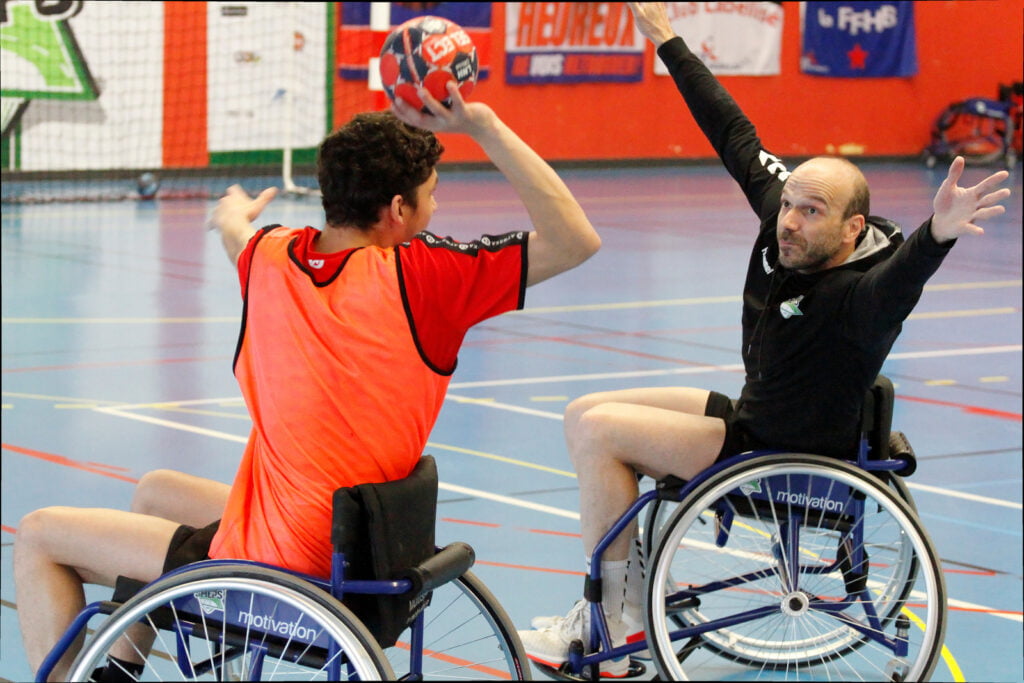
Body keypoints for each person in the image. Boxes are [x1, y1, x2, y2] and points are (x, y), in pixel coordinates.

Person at [13, 81, 600, 682]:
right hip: (370, 546)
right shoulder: (426, 277)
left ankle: (112, 664)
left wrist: (230, 216)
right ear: (398, 211)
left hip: (290, 572)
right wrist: (483, 126)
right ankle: (122, 665)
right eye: (432, 197)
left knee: (37, 537)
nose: (434, 211)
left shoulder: (268, 258)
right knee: (157, 490)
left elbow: (238, 236)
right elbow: (576, 240)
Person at [517, 1, 1012, 677]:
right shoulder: (788, 224)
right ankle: (623, 595)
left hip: (783, 451)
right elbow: (733, 131)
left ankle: (621, 618)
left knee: (603, 431)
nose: (789, 221)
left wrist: (940, 234)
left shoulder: (861, 297)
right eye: (788, 205)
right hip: (757, 419)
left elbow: (905, 277)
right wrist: (666, 39)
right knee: (582, 412)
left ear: (850, 228)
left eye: (810, 212)